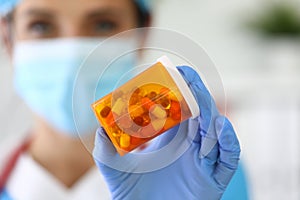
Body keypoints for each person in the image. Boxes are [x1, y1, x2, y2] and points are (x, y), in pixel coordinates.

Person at [0, 0, 249, 199]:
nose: (73, 50)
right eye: (41, 26)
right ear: (7, 37)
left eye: (103, 25)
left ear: (142, 34)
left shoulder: (204, 175)